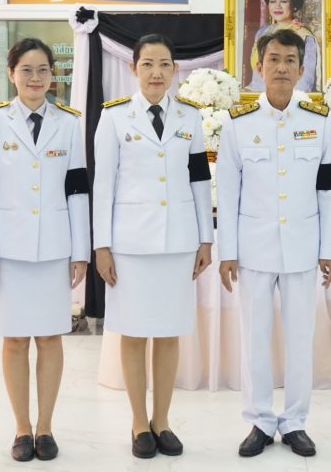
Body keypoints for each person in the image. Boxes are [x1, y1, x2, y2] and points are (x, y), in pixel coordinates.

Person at [217, 28, 331, 458]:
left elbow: (328, 190)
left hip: (303, 246)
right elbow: (227, 192)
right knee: (254, 336)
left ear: (302, 69)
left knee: (300, 338)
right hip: (253, 248)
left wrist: (330, 250)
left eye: (290, 60)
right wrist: (227, 252)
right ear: (259, 65)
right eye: (274, 59)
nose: (282, 67)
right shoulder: (238, 124)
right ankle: (259, 420)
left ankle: (295, 421)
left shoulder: (319, 123)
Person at [92, 34, 213, 459]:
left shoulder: (189, 117)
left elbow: (199, 178)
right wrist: (101, 245)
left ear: (175, 69)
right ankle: (139, 422)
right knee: (133, 332)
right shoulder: (114, 117)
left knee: (168, 332)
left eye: (164, 64)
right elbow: (103, 184)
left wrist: (205, 236)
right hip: (130, 243)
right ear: (133, 68)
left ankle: (162, 420)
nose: (156, 73)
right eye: (148, 64)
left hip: (178, 241)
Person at [0, 37, 90, 463]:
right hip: (8, 252)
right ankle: (22, 428)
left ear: (52, 75)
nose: (36, 78)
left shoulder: (68, 123)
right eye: (27, 70)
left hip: (55, 248)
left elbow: (77, 189)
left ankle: (46, 427)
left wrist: (81, 251)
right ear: (11, 74)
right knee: (15, 340)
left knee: (50, 337)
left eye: (43, 70)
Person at [247, 0, 319, 92]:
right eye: (273, 1)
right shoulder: (262, 32)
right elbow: (256, 77)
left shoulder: (303, 36)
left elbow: (305, 83)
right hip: (257, 96)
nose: (277, 6)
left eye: (283, 1)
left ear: (294, 5)